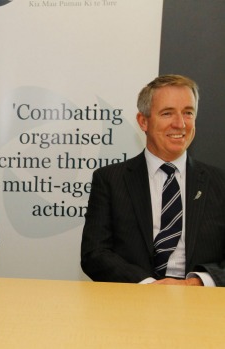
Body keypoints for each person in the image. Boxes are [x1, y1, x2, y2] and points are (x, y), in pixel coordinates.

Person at [81, 74, 225, 286]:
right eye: (167, 113)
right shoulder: (110, 180)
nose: (180, 124)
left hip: (201, 304)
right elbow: (95, 254)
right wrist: (148, 285)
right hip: (132, 302)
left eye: (188, 113)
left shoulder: (219, 183)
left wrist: (197, 282)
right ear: (143, 121)